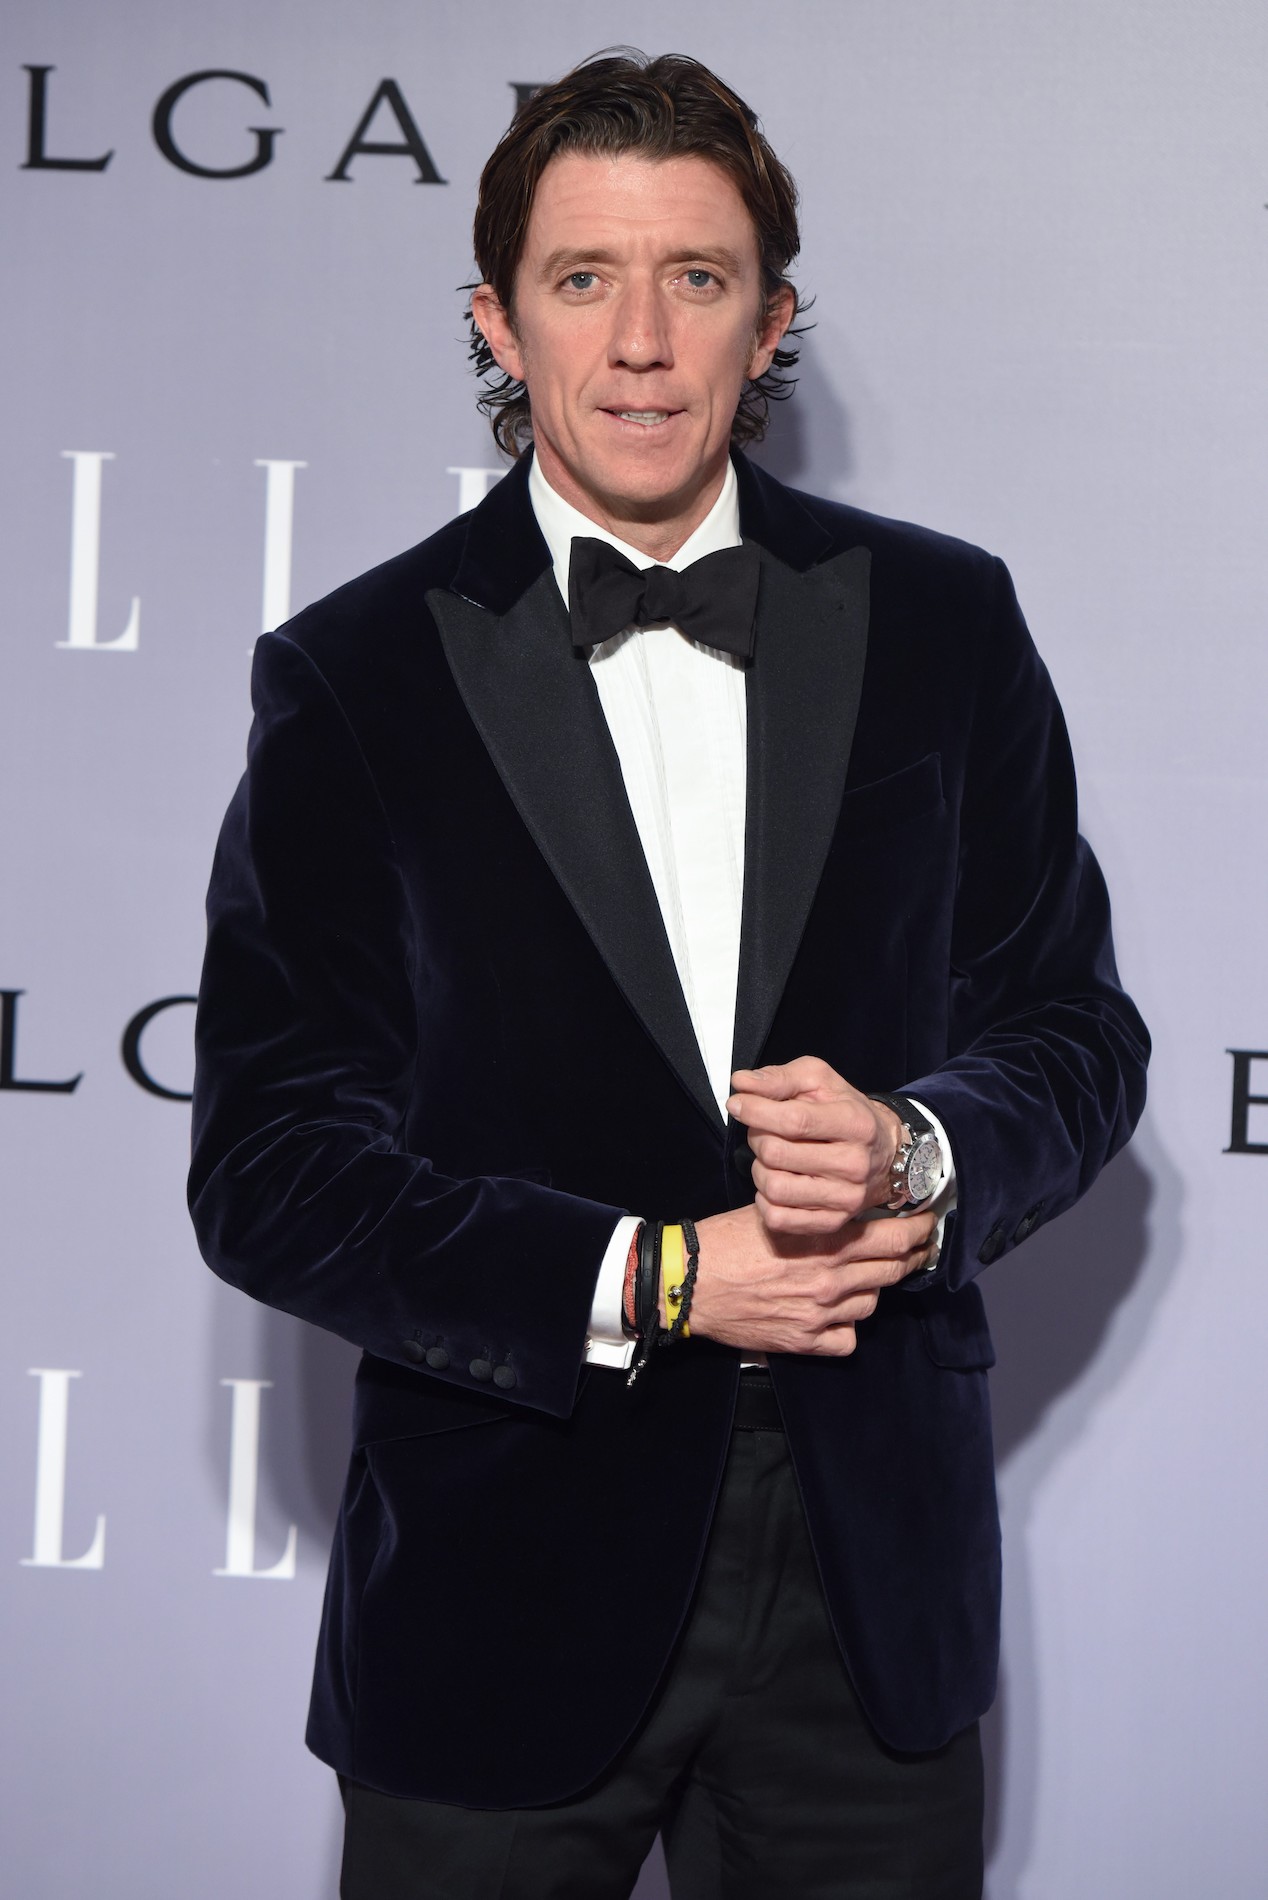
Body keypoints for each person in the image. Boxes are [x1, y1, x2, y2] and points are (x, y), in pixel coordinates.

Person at [189, 49, 1149, 1900]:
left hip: (870, 1591)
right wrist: (664, 1274)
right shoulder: (355, 675)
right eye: (584, 278)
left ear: (770, 320)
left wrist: (922, 1152)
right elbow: (273, 1172)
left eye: (695, 277)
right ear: (498, 318)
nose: (640, 341)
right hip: (500, 1585)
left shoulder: (947, 619)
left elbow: (1076, 1032)